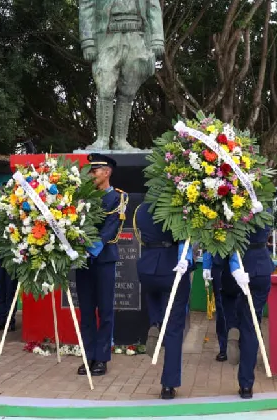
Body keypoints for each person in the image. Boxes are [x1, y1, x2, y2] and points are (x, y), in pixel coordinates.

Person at [79, 0, 164, 151]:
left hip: (137, 37)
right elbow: (86, 4)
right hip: (107, 36)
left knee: (128, 90)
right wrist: (87, 41)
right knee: (105, 87)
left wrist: (157, 39)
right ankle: (102, 140)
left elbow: (153, 6)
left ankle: (121, 140)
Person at [75, 153, 128, 377]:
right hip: (82, 262)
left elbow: (110, 227)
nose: (91, 174)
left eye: (95, 171)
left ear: (107, 172)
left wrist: (90, 248)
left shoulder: (118, 197)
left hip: (104, 259)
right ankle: (88, 356)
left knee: (105, 311)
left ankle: (102, 358)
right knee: (86, 311)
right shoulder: (82, 197)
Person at [134, 202, 192, 399]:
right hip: (172, 267)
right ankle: (168, 384)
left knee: (155, 299)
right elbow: (186, 237)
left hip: (148, 268)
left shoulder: (141, 210)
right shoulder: (177, 209)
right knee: (175, 328)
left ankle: (155, 323)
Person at [229, 222, 274, 399]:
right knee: (252, 325)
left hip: (239, 264)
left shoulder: (232, 206)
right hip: (260, 267)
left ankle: (233, 328)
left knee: (235, 308)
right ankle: (246, 384)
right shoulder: (263, 207)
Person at [202, 250, 239, 363]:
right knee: (224, 306)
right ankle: (228, 346)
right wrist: (206, 266)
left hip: (226, 265)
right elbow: (207, 243)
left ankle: (228, 347)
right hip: (225, 266)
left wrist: (206, 265)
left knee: (226, 306)